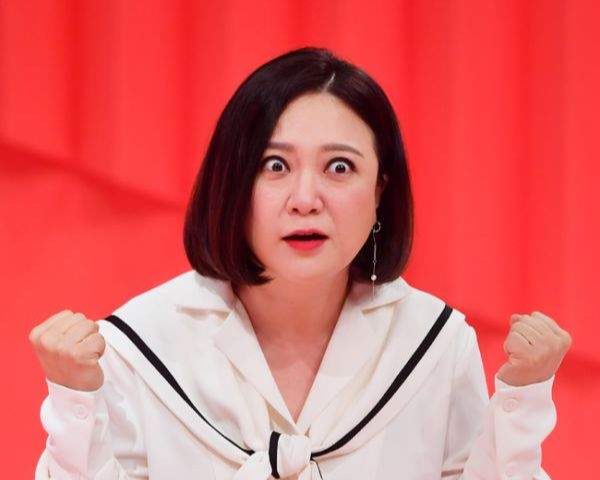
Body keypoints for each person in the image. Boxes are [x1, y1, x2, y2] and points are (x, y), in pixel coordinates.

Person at [29, 47, 571, 480]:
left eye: (339, 167)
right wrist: (74, 398)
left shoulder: (434, 345)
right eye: (275, 165)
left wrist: (523, 398)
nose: (306, 199)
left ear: (380, 191)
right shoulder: (140, 346)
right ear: (233, 182)